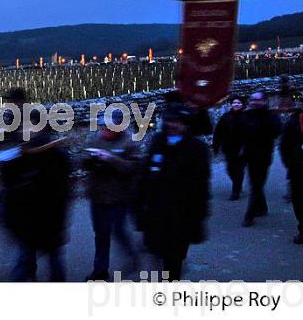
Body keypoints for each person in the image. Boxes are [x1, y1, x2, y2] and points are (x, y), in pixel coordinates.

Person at [138, 103, 211, 281]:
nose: (172, 125)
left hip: (181, 219)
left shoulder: (197, 149)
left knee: (173, 263)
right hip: (155, 215)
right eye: (169, 120)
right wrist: (138, 209)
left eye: (177, 121)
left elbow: (201, 188)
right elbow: (144, 177)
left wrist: (198, 221)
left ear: (185, 124)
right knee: (153, 259)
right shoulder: (157, 142)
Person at [1, 103, 71, 281]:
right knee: (25, 261)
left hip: (47, 220)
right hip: (27, 222)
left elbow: (61, 192)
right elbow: (8, 182)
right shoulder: (19, 154)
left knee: (52, 262)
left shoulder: (54, 155)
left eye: (29, 125)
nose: (25, 130)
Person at [82, 111, 141, 281]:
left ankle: (132, 256)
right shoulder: (95, 140)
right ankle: (100, 270)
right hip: (98, 196)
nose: (105, 129)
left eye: (109, 126)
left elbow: (133, 169)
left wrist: (112, 159)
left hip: (119, 197)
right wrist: (91, 159)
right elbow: (83, 162)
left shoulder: (129, 142)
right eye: (103, 126)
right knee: (101, 234)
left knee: (119, 231)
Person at [240, 91, 282, 227]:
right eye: (252, 99)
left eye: (258, 100)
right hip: (249, 155)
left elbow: (277, 130)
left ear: (264, 101)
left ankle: (249, 214)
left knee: (256, 184)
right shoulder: (246, 115)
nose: (254, 102)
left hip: (263, 155)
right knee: (255, 183)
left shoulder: (271, 115)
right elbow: (240, 132)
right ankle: (262, 207)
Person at [213, 96, 247, 200]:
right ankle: (238, 183)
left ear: (242, 105)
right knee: (230, 169)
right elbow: (218, 132)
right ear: (231, 104)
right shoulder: (226, 117)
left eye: (239, 103)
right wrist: (216, 146)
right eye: (234, 103)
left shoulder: (247, 117)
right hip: (229, 148)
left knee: (239, 169)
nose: (236, 104)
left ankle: (235, 191)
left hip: (243, 148)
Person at [280, 108, 303, 244]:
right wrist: (290, 163)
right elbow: (284, 145)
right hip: (298, 169)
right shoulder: (292, 122)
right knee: (299, 201)